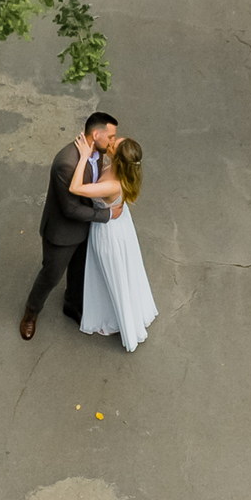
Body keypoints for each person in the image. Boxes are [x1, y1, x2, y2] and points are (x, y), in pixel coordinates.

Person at [20, 112, 120, 340]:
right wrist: (106, 214)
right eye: (111, 136)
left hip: (88, 226)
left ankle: (72, 305)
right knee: (51, 275)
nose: (113, 141)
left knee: (80, 270)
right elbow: (71, 209)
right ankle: (31, 313)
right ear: (96, 134)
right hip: (63, 233)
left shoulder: (98, 152)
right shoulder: (66, 163)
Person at [66, 132, 158, 351]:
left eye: (114, 145)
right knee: (122, 270)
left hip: (108, 232)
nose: (111, 142)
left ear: (117, 160)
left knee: (110, 272)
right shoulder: (122, 171)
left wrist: (83, 157)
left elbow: (75, 188)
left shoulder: (112, 185)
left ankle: (113, 316)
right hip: (121, 224)